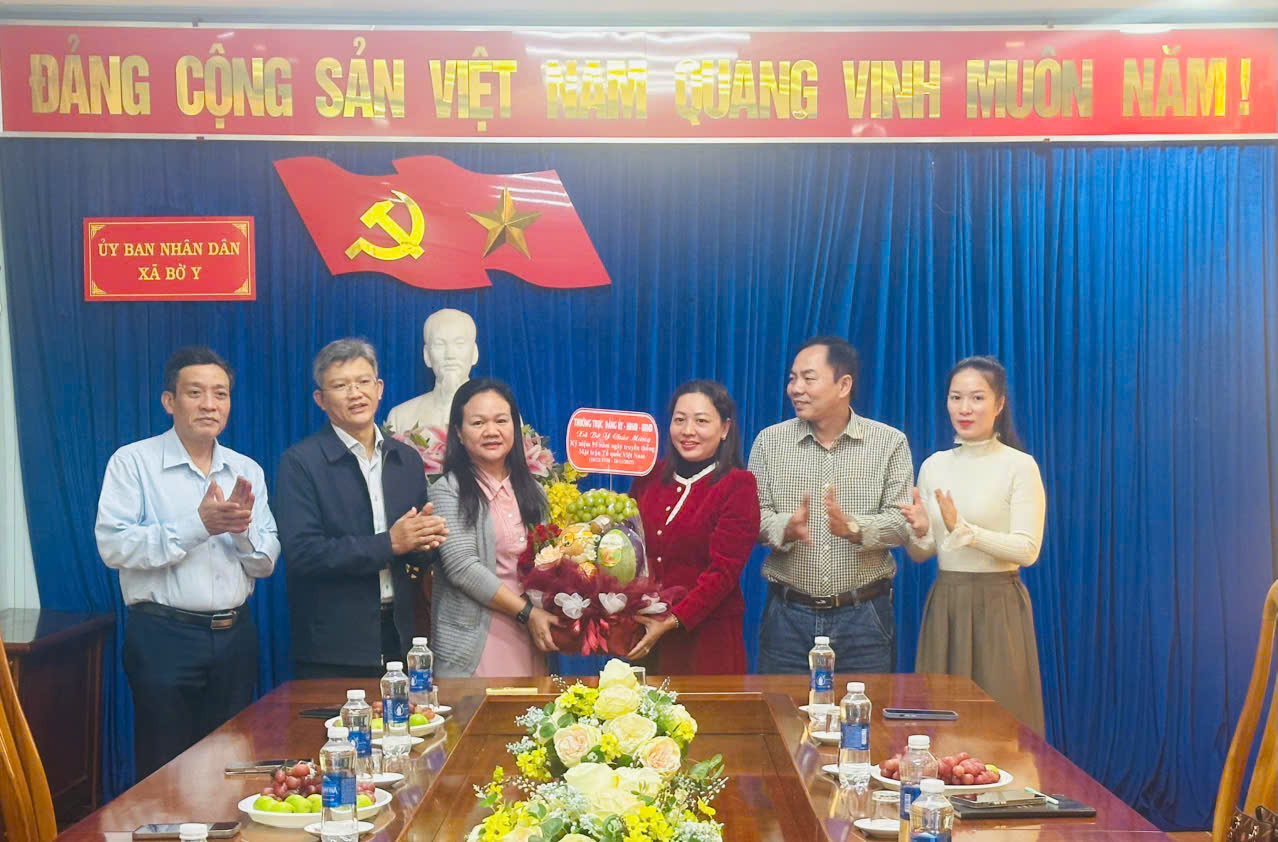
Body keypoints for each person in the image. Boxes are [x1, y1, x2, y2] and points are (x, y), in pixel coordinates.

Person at [95, 346, 280, 779]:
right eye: (195, 393)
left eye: (221, 394)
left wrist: (239, 531)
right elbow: (114, 546)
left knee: (232, 768)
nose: (209, 404)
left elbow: (266, 562)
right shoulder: (133, 462)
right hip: (163, 638)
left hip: (235, 638)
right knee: (166, 773)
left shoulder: (246, 469)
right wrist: (199, 526)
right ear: (169, 401)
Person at [273, 338, 447, 679]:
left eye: (363, 382)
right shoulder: (301, 463)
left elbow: (412, 557)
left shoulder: (405, 459)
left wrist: (425, 543)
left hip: (402, 636)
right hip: (334, 646)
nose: (355, 393)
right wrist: (391, 543)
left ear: (379, 389)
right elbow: (303, 553)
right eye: (341, 386)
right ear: (320, 399)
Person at [898, 356, 1046, 735]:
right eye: (956, 397)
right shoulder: (934, 465)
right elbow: (924, 552)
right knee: (939, 722)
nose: (965, 408)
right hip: (947, 603)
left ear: (999, 405)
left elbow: (1028, 550)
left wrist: (967, 531)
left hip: (999, 607)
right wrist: (918, 531)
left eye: (977, 398)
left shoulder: (1019, 466)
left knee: (1001, 728)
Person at [749, 336, 912, 674]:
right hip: (786, 617)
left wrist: (855, 529)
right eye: (792, 378)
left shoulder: (889, 443)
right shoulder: (769, 442)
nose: (795, 388)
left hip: (864, 617)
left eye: (808, 378)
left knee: (864, 707)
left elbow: (902, 523)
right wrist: (785, 528)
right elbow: (752, 517)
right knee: (781, 708)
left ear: (844, 385)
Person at [429, 378, 561, 677]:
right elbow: (463, 568)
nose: (491, 431)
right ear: (459, 432)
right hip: (474, 644)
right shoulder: (447, 492)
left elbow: (548, 561)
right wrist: (527, 613)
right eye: (478, 423)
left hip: (530, 635)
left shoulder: (534, 492)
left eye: (501, 420)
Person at [627, 380, 760, 674]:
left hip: (707, 643)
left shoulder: (738, 485)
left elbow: (723, 573)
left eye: (701, 421)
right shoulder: (648, 477)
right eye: (679, 420)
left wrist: (672, 619)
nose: (688, 431)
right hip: (645, 636)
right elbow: (629, 546)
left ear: (725, 428)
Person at [386, 309, 479, 432]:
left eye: (459, 343)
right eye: (439, 344)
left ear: (474, 353)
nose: (450, 355)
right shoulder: (400, 418)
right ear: (427, 355)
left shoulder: (497, 412)